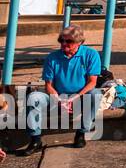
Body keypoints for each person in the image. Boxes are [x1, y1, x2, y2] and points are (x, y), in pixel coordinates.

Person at [13, 24, 101, 156]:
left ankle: (81, 133)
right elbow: (48, 84)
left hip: (80, 95)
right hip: (57, 96)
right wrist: (59, 99)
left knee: (96, 94)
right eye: (61, 40)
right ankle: (35, 139)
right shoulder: (52, 57)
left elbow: (92, 82)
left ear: (80, 42)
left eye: (69, 41)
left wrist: (74, 97)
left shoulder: (91, 54)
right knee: (33, 98)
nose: (64, 43)